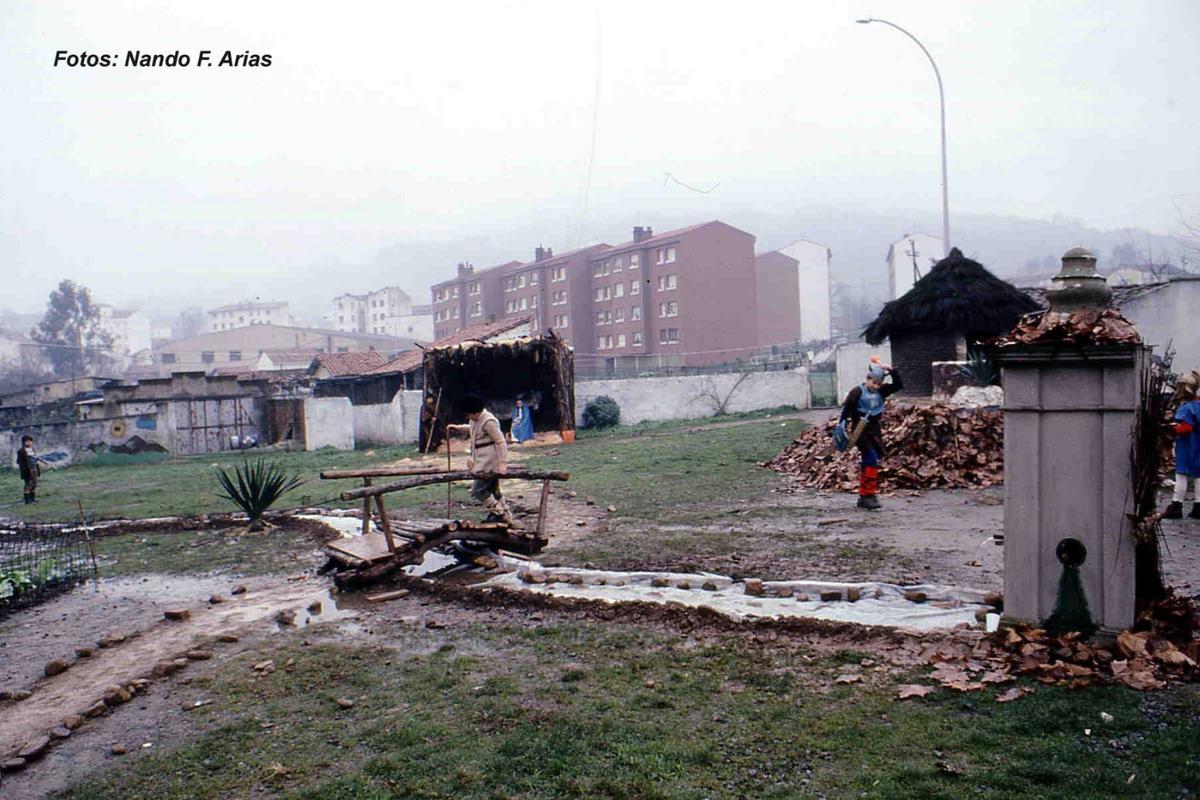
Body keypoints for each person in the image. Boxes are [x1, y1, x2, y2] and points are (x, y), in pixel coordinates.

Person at [837, 357, 903, 511]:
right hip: (860, 430)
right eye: (874, 382)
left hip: (874, 430)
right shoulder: (857, 392)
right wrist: (842, 427)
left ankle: (866, 495)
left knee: (872, 460)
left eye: (879, 383)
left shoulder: (882, 391)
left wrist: (891, 370)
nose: (876, 386)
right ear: (868, 379)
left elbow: (899, 385)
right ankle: (867, 495)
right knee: (871, 458)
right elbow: (846, 412)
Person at [449, 393, 519, 527]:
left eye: (468, 415)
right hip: (481, 459)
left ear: (475, 412)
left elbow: (501, 441)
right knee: (494, 490)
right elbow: (474, 430)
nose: (467, 417)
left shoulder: (489, 421)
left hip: (489, 461)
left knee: (478, 490)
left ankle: (498, 512)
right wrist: (458, 428)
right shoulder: (476, 420)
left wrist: (503, 463)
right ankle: (507, 516)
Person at [1165, 370, 1200, 520]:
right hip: (1198, 444)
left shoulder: (1185, 408)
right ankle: (1198, 506)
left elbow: (1186, 427)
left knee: (1181, 476)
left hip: (1187, 446)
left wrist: (1171, 428)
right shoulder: (1198, 405)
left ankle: (1176, 505)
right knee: (1198, 476)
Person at [16, 434, 41, 505]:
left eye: (30, 441)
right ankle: (27, 500)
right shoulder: (21, 451)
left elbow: (35, 458)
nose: (29, 443)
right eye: (27, 441)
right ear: (23, 442)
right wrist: (27, 468)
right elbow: (19, 462)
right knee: (28, 484)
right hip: (27, 470)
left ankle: (33, 499)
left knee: (34, 484)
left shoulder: (32, 449)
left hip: (34, 469)